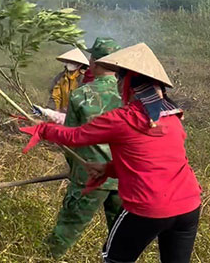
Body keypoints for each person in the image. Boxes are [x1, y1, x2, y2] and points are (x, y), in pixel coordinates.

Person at [20, 43, 201, 263]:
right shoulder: (171, 116)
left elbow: (75, 137)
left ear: (128, 85)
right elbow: (152, 159)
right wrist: (109, 169)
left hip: (148, 206)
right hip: (189, 205)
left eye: (120, 79)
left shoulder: (121, 119)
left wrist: (42, 129)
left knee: (115, 258)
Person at [34, 37, 123, 257]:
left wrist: (76, 169)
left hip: (88, 176)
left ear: (93, 62)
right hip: (124, 175)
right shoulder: (129, 94)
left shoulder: (81, 94)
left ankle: (45, 259)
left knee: (66, 230)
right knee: (122, 237)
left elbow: (69, 139)